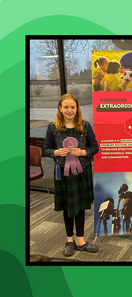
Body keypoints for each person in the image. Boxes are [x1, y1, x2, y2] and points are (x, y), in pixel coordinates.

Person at [43, 94, 99, 257]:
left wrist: (83, 152)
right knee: (68, 207)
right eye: (66, 107)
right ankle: (69, 240)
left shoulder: (85, 126)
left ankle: (80, 241)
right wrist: (55, 152)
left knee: (80, 206)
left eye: (72, 107)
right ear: (60, 108)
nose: (69, 110)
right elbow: (45, 149)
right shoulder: (52, 127)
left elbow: (95, 147)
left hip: (82, 172)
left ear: (77, 108)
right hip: (63, 174)